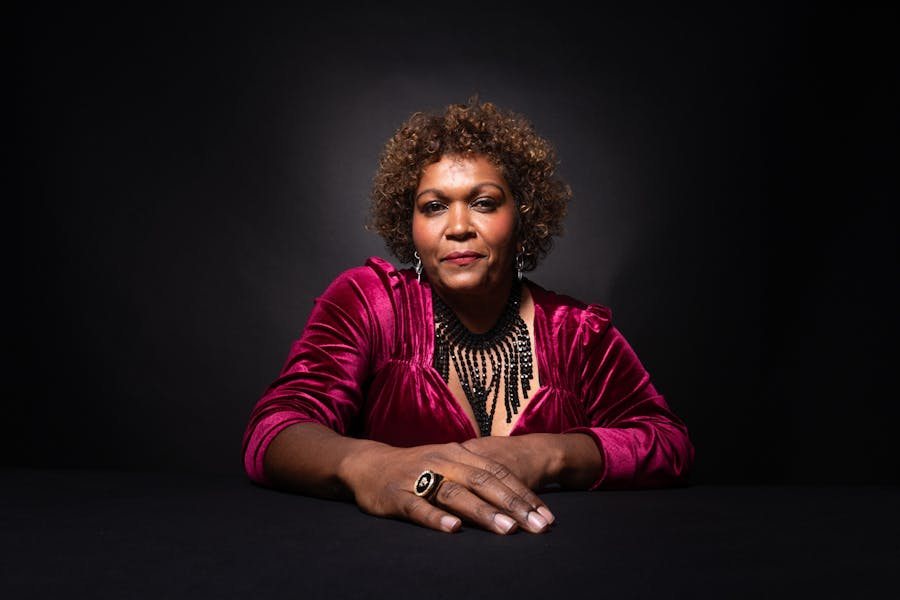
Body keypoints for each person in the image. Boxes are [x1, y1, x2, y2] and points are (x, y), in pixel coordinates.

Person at [242, 97, 694, 535]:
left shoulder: (578, 333)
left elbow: (668, 443)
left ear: (523, 219)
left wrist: (547, 453)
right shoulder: (371, 303)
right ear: (410, 226)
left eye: (484, 202)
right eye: (434, 206)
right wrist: (370, 464)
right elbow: (274, 430)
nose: (458, 226)